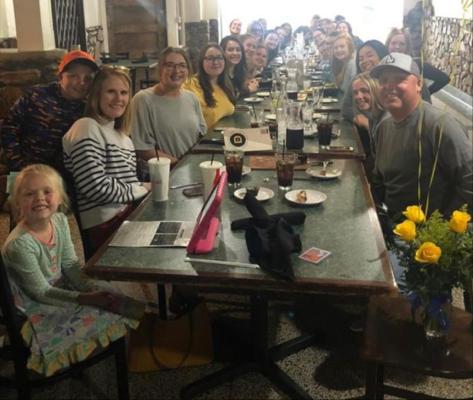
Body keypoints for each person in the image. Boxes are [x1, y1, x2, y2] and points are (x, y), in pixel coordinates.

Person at [2, 164, 142, 376]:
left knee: (115, 296)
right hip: (32, 304)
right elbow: (40, 292)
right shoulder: (19, 244)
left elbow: (69, 265)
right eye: (29, 194)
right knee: (102, 309)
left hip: (56, 286)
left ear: (60, 198)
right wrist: (88, 298)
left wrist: (90, 288)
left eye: (47, 191)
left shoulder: (59, 220)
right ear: (17, 202)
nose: (39, 198)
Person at [370, 52, 472, 220]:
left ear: (418, 84)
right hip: (391, 222)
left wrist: (445, 224)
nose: (388, 85)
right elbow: (379, 178)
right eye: (383, 80)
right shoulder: (383, 126)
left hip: (427, 231)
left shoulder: (440, 125)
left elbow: (469, 180)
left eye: (399, 79)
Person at [63, 66, 150, 257]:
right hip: (103, 226)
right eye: (111, 91)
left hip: (127, 215)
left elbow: (128, 185)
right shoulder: (86, 126)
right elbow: (94, 186)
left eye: (124, 93)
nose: (119, 98)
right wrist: (142, 188)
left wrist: (145, 187)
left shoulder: (123, 137)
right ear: (97, 95)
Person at [1, 50, 98, 177]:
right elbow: (9, 126)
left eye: (88, 78)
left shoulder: (91, 108)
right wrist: (18, 163)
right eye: (73, 76)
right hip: (24, 172)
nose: (81, 82)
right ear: (60, 77)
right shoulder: (36, 95)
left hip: (64, 178)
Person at [130, 47, 206, 166]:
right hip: (164, 172)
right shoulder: (143, 99)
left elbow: (201, 136)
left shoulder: (191, 98)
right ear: (160, 69)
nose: (177, 71)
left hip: (191, 168)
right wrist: (179, 165)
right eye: (170, 65)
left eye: (182, 65)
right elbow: (142, 148)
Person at [184, 44, 235, 129]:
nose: (215, 62)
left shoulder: (224, 85)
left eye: (219, 58)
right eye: (210, 58)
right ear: (201, 62)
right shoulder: (190, 85)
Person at [385, 27, 449, 95]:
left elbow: (443, 79)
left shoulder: (416, 64)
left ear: (407, 47)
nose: (397, 47)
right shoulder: (382, 65)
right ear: (388, 45)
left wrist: (422, 94)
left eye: (402, 44)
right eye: (393, 43)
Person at [351, 72, 388, 181]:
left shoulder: (386, 121)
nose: (358, 96)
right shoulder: (374, 117)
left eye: (364, 91)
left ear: (376, 90)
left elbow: (384, 168)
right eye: (355, 92)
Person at [341, 39, 388, 121]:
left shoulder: (390, 82)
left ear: (382, 56)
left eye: (370, 56)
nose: (364, 61)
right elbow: (346, 109)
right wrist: (358, 117)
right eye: (361, 59)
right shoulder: (356, 82)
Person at [331, 34, 356, 99]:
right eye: (335, 48)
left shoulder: (352, 63)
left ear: (350, 48)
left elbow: (350, 91)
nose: (338, 50)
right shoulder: (344, 62)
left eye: (342, 47)